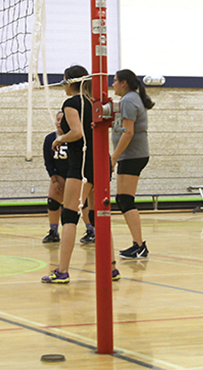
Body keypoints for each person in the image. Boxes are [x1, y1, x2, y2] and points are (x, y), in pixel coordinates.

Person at [42, 65, 119, 283]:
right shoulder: (96, 103)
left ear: (69, 81)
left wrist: (59, 139)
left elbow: (77, 133)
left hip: (82, 166)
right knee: (99, 216)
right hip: (100, 164)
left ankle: (62, 271)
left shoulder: (71, 103)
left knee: (69, 216)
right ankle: (112, 268)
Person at [111, 69, 154, 260]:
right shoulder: (130, 99)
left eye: (114, 81)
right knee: (122, 199)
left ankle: (139, 246)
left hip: (133, 156)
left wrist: (114, 157)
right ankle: (137, 244)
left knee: (126, 200)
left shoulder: (129, 100)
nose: (112, 84)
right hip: (129, 156)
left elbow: (128, 132)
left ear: (124, 83)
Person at [41, 127, 68, 243]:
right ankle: (54, 232)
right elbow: (48, 161)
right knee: (53, 202)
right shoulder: (50, 138)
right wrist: (54, 179)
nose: (59, 123)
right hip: (59, 174)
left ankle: (91, 230)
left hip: (75, 174)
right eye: (58, 119)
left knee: (82, 203)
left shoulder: (76, 135)